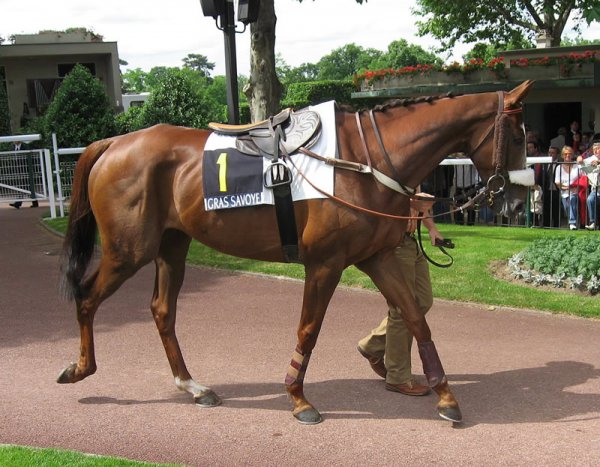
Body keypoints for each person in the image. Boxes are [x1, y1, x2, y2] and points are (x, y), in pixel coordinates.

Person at [357, 193, 444, 396]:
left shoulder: (416, 168)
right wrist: (408, 203)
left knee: (423, 301)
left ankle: (373, 344)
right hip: (393, 245)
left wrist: (432, 228)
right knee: (402, 309)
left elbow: (421, 203)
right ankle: (398, 376)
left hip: (411, 242)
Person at [555, 146, 581, 230]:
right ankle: (574, 222)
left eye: (569, 154)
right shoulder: (559, 167)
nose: (567, 156)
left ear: (572, 155)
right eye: (565, 154)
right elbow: (558, 183)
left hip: (577, 192)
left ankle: (572, 223)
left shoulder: (577, 166)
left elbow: (583, 179)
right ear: (562, 155)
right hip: (564, 193)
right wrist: (568, 188)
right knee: (567, 207)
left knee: (572, 199)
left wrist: (576, 187)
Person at [8, 140, 38, 209]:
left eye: (15, 139)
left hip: (26, 170)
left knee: (27, 187)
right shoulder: (12, 147)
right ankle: (21, 203)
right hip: (17, 170)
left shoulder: (25, 147)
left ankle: (19, 203)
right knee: (23, 187)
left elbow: (30, 157)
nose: (14, 141)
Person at [577, 142, 600, 230]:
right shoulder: (591, 159)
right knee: (590, 199)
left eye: (598, 149)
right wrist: (579, 158)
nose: (596, 151)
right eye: (594, 149)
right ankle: (593, 222)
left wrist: (599, 162)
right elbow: (581, 164)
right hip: (596, 188)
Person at [542, 146, 561, 228]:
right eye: (549, 152)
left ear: (557, 154)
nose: (550, 154)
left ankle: (556, 226)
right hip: (546, 190)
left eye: (553, 153)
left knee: (556, 210)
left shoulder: (560, 164)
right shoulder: (545, 164)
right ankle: (546, 226)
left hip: (556, 190)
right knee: (546, 209)